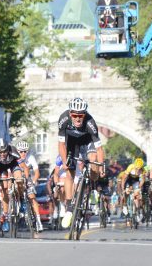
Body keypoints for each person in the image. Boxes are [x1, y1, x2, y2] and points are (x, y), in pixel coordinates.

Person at [58, 97, 105, 228]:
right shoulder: (63, 119)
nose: (78, 118)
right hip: (72, 143)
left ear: (85, 114)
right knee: (69, 173)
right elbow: (61, 144)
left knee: (94, 160)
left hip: (87, 141)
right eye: (75, 115)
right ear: (70, 114)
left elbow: (99, 148)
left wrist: (101, 166)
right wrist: (64, 162)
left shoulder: (90, 122)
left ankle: (92, 185)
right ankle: (69, 207)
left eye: (81, 115)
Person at [0, 140, 29, 233]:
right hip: (1, 168)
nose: (2, 154)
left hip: (13, 165)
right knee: (4, 189)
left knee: (19, 180)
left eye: (4, 151)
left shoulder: (13, 151)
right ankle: (6, 216)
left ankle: (21, 199)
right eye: (0, 152)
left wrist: (26, 180)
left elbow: (24, 167)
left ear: (8, 149)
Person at [16, 140, 44, 232]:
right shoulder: (14, 158)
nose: (23, 153)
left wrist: (34, 181)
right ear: (17, 151)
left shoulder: (31, 157)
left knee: (32, 197)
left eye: (25, 151)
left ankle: (38, 221)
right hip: (17, 179)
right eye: (21, 151)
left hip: (27, 179)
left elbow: (36, 172)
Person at [119, 158, 145, 224]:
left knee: (137, 195)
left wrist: (139, 187)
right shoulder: (130, 167)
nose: (137, 170)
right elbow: (124, 178)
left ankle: (137, 211)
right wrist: (123, 188)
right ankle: (125, 205)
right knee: (126, 192)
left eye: (139, 168)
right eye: (136, 168)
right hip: (128, 180)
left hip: (136, 181)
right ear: (134, 165)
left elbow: (142, 180)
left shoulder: (143, 170)